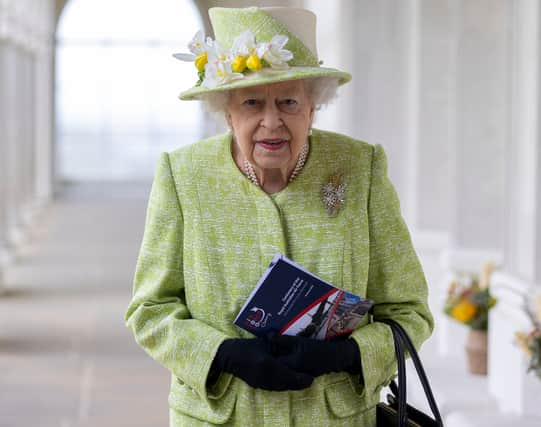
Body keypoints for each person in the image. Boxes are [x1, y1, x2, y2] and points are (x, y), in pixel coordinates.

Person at [124, 6, 434, 427]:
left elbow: (410, 312)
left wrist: (348, 355)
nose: (272, 122)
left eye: (289, 102)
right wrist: (223, 356)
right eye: (252, 102)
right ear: (228, 112)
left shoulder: (361, 168)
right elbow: (150, 310)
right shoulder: (183, 175)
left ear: (313, 108)